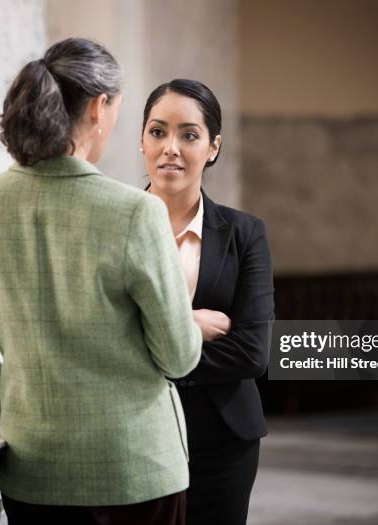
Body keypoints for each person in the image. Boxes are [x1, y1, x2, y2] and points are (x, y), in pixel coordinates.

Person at [0, 39, 202, 525]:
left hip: (35, 473)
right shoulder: (136, 213)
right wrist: (190, 323)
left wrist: (28, 414)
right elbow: (178, 356)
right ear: (100, 107)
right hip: (136, 471)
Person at [140, 79, 275, 525]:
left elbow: (252, 352)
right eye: (158, 132)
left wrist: (148, 349)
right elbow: (94, 340)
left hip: (223, 442)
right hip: (133, 434)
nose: (170, 148)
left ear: (213, 147)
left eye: (189, 134)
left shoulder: (245, 234)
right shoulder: (109, 229)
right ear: (142, 140)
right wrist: (186, 324)